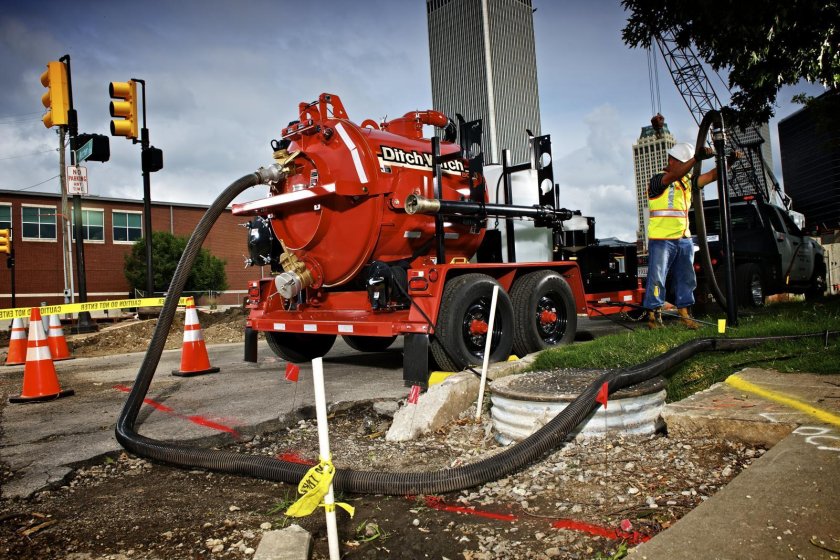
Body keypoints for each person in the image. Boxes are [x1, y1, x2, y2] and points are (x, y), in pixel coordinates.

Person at [643, 142, 717, 329]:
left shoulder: (687, 182)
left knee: (686, 277)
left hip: (684, 239)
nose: (688, 167)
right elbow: (675, 174)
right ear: (672, 161)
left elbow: (711, 176)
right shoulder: (658, 181)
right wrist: (696, 158)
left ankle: (685, 314)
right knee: (657, 278)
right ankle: (653, 317)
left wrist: (728, 161)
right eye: (685, 163)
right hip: (661, 240)